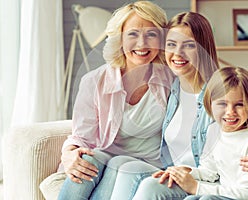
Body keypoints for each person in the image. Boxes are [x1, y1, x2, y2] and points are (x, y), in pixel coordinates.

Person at [130, 12, 248, 200]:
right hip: (189, 175)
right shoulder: (171, 86)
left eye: (189, 45)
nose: (178, 53)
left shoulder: (220, 90)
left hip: (213, 187)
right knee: (126, 168)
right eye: (171, 44)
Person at [40, 1, 174, 200]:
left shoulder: (171, 80)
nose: (142, 43)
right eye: (133, 34)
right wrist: (68, 153)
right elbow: (82, 137)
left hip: (149, 165)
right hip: (105, 161)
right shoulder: (94, 81)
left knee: (121, 164)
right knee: (90, 158)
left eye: (151, 34)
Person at [177, 66, 248, 200]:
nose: (230, 112)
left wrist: (196, 187)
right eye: (222, 104)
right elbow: (210, 172)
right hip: (232, 195)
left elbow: (247, 194)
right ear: (209, 103)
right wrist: (187, 172)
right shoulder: (213, 131)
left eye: (239, 104)